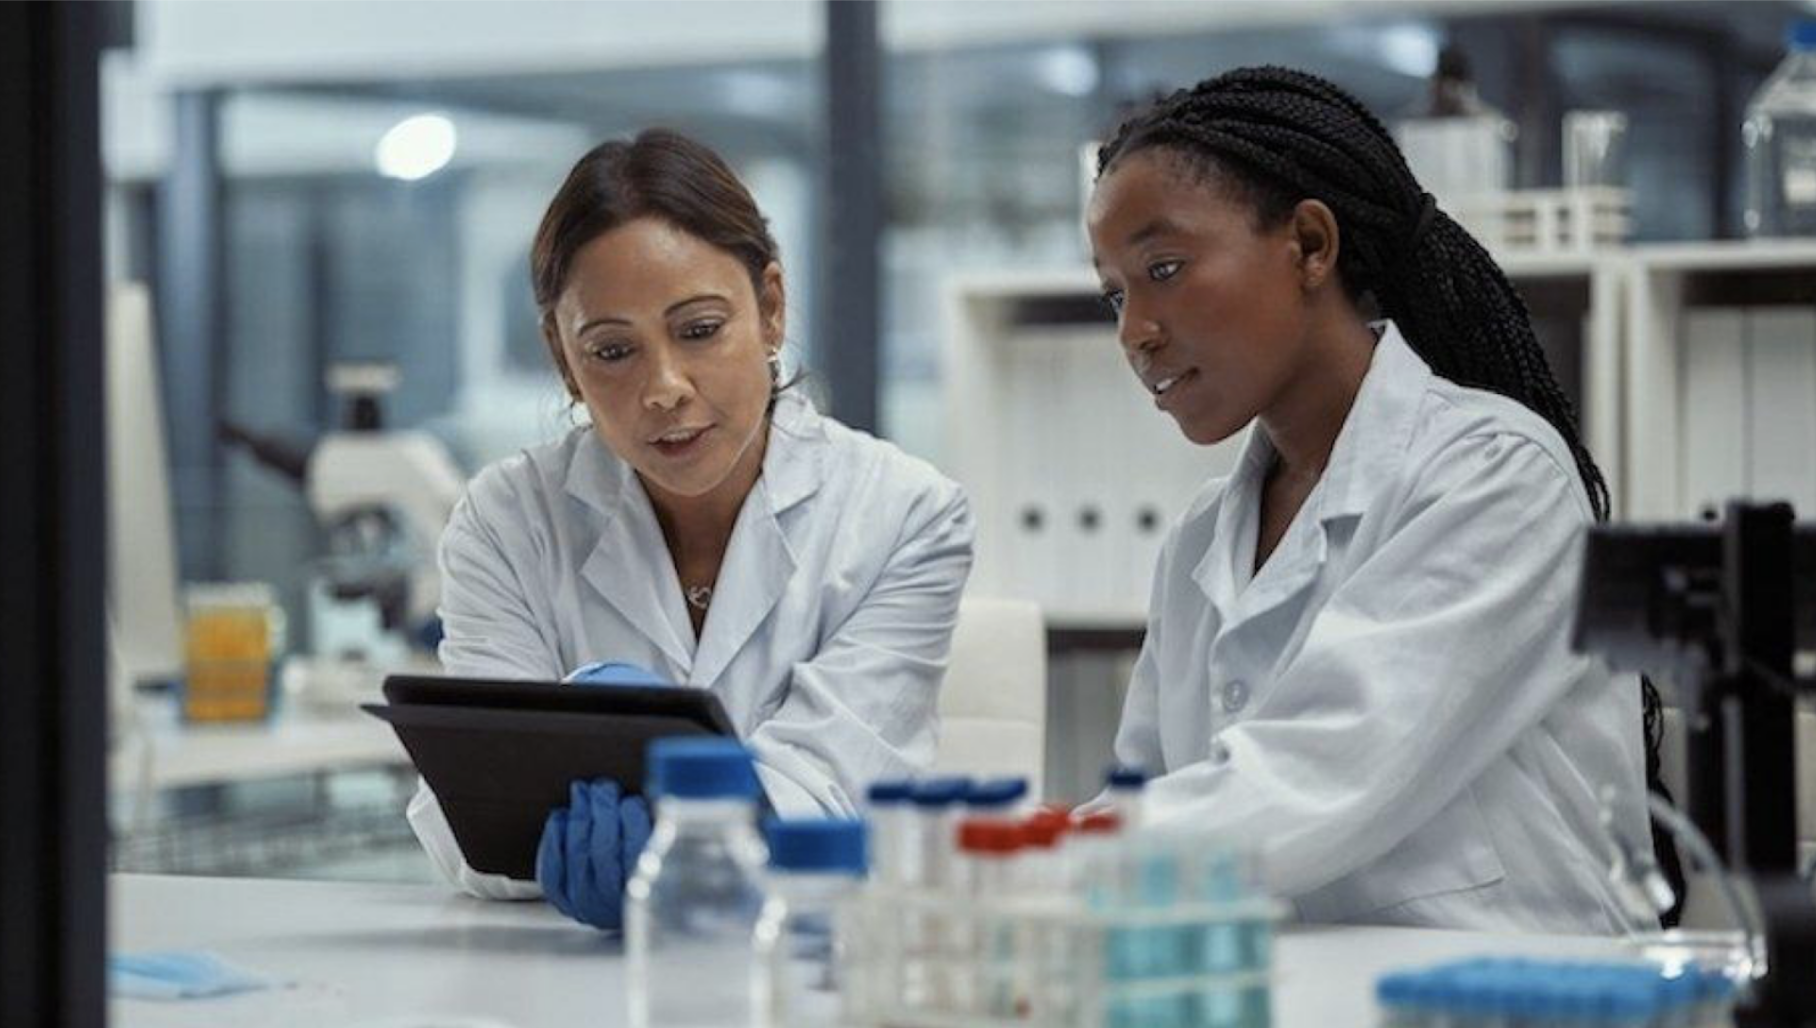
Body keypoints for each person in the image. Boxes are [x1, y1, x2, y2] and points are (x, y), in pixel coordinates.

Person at [1084, 66, 1670, 933]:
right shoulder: (1205, 535)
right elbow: (1147, 791)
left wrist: (1023, 858)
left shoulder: (1494, 475)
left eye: (1164, 268)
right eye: (1116, 295)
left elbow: (1316, 779)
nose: (1135, 331)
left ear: (1311, 247)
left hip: (1514, 993)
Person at [407, 130, 975, 928]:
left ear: (771, 309)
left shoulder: (904, 514)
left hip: (811, 968)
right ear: (563, 361)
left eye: (700, 330)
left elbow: (835, 788)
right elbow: (476, 807)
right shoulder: (506, 520)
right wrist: (559, 845)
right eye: (611, 350)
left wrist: (706, 815)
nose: (663, 388)